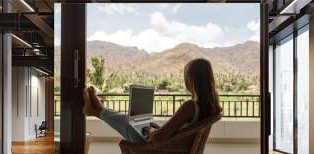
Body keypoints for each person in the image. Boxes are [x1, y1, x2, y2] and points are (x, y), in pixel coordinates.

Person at [83, 58, 222, 144]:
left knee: (128, 123)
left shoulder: (191, 106)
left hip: (161, 149)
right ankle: (97, 110)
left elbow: (157, 139)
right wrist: (156, 128)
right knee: (134, 120)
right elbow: (177, 131)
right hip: (172, 146)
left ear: (192, 79)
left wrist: (149, 130)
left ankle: (97, 110)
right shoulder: (210, 106)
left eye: (185, 75)